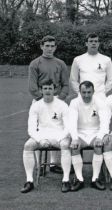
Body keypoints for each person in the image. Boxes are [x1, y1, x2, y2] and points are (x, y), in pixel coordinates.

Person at [20, 80, 71, 193]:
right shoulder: (36, 106)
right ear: (41, 90)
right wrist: (40, 139)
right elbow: (31, 128)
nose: (48, 91)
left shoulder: (62, 105)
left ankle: (66, 180)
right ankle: (29, 181)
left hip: (59, 135)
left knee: (65, 145)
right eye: (45, 88)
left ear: (54, 90)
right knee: (28, 145)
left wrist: (58, 139)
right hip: (42, 134)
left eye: (50, 88)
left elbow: (68, 127)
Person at [28, 35, 69, 174]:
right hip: (41, 100)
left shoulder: (61, 63)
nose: (50, 48)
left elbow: (65, 84)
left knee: (58, 129)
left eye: (52, 46)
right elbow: (32, 86)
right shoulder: (35, 63)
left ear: (55, 47)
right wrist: (43, 99)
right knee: (39, 132)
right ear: (41, 46)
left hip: (57, 101)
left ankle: (54, 164)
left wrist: (60, 99)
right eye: (47, 46)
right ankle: (39, 166)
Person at [68, 81, 110, 191]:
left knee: (98, 146)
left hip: (95, 132)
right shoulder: (74, 102)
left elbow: (105, 122)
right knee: (75, 146)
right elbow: (71, 122)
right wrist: (75, 138)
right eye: (84, 92)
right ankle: (79, 179)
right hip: (80, 132)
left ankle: (95, 179)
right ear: (79, 92)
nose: (86, 95)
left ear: (93, 91)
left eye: (89, 92)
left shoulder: (100, 102)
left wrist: (100, 137)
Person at [70, 33, 112, 101]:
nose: (93, 43)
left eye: (95, 41)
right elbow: (73, 80)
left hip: (100, 97)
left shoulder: (106, 60)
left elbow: (111, 80)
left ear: (98, 43)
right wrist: (81, 92)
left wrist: (102, 92)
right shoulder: (78, 60)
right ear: (86, 43)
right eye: (91, 41)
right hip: (83, 97)